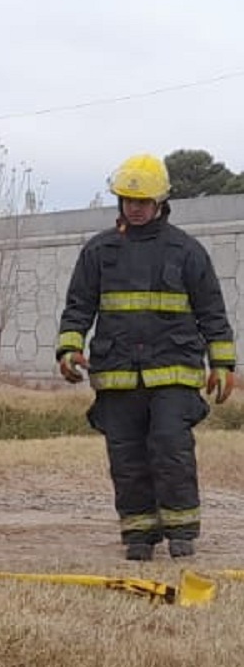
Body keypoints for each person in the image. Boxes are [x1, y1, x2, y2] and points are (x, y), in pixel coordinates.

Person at [55, 154, 235, 561]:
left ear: (161, 202)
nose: (133, 208)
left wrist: (222, 365)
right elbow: (78, 307)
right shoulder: (99, 251)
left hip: (174, 373)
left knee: (171, 449)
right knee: (127, 457)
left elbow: (212, 312)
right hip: (118, 374)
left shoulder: (186, 251)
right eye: (126, 200)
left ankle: (182, 531)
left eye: (142, 201)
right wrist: (69, 348)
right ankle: (138, 534)